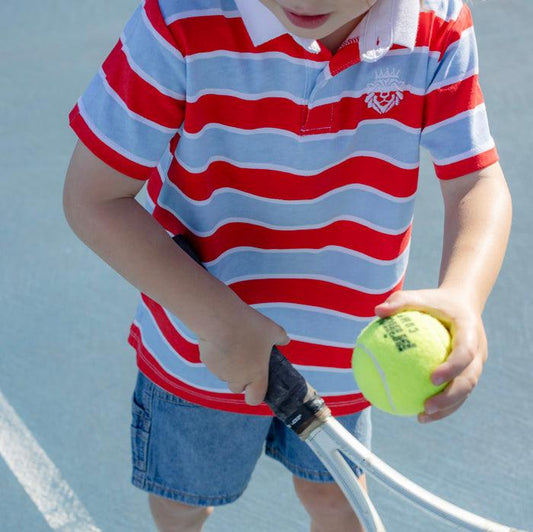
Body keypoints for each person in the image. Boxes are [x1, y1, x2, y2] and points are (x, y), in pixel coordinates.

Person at [63, 0, 512, 530]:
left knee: (335, 502)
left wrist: (463, 294)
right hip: (202, 358)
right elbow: (93, 199)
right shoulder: (180, 22)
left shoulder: (435, 24)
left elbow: (476, 180)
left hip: (347, 360)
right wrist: (216, 318)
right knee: (184, 501)